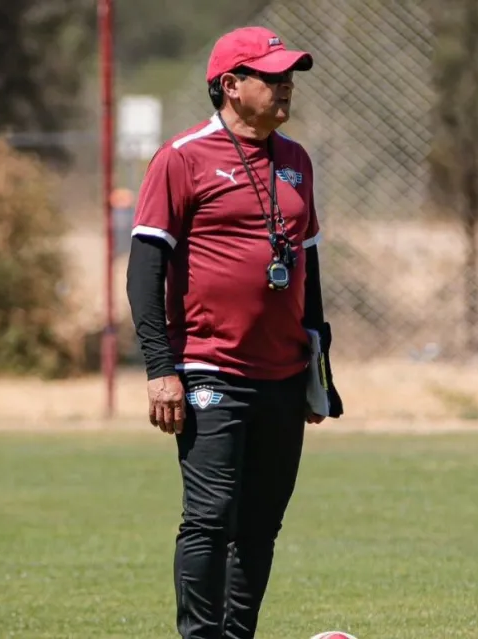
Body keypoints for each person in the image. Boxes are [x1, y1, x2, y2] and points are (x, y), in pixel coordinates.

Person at [125, 25, 343, 639]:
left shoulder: (296, 160)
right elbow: (144, 273)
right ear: (230, 86)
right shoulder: (181, 158)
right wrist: (160, 369)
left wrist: (318, 365)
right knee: (210, 518)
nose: (286, 87)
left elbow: (310, 266)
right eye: (272, 78)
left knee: (261, 523)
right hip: (209, 367)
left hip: (282, 372)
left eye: (289, 77)